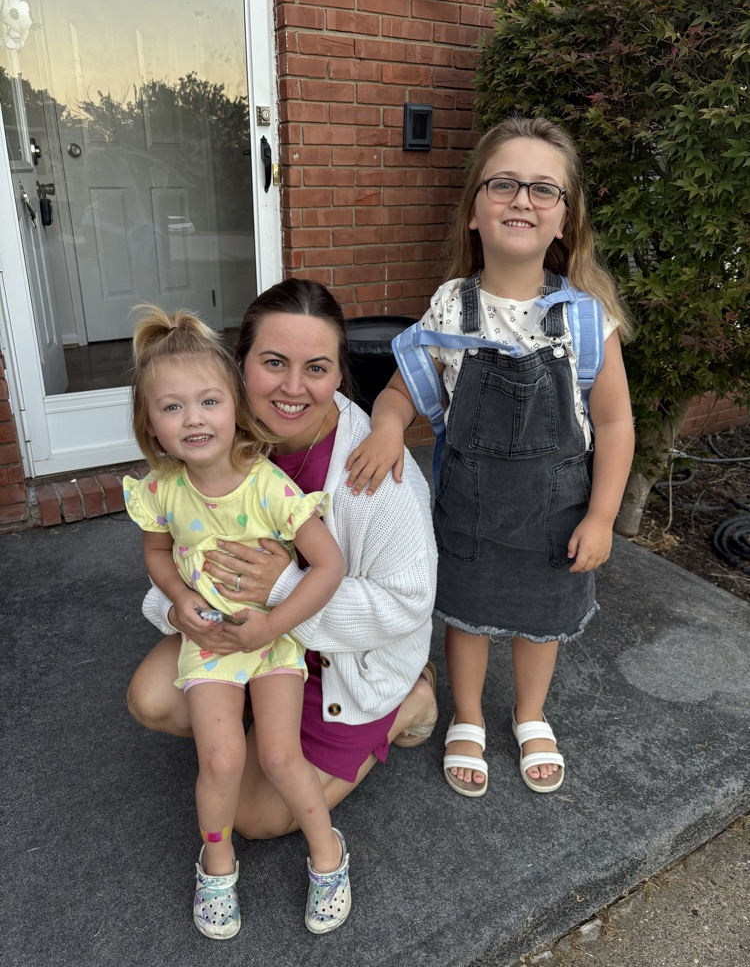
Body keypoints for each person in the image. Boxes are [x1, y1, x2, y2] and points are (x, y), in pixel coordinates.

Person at [345, 116, 634, 798]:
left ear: (565, 220)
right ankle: (468, 716)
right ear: (475, 209)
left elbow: (616, 421)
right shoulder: (449, 308)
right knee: (467, 619)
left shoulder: (588, 319)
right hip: (469, 515)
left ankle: (530, 713)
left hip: (556, 517)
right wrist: (388, 426)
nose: (522, 200)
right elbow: (397, 390)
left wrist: (602, 515)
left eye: (543, 189)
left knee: (542, 623)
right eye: (504, 184)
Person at [125, 281, 439, 895]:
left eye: (316, 369)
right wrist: (178, 606)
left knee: (258, 817)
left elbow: (407, 605)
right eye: (273, 363)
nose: (293, 388)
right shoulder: (211, 433)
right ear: (238, 364)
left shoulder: (378, 473)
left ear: (339, 376)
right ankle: (252, 724)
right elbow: (178, 547)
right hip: (243, 636)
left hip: (347, 657)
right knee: (152, 698)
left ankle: (410, 701)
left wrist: (282, 588)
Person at [123, 304, 349, 940]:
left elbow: (328, 567)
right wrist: (174, 599)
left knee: (279, 757)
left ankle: (327, 853)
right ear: (152, 425)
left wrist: (273, 626)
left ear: (235, 406)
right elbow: (157, 552)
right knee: (220, 760)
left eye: (208, 401)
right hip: (211, 644)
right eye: (172, 408)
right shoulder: (163, 488)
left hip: (272, 644)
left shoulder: (268, 487)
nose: (193, 419)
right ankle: (217, 862)